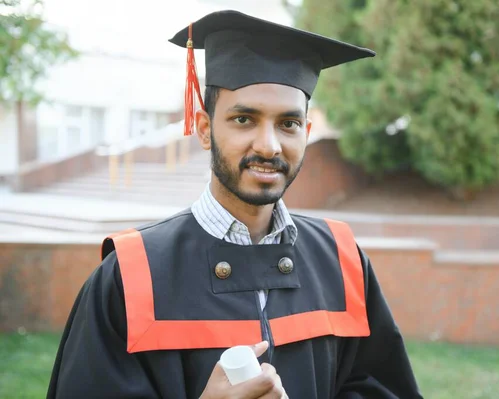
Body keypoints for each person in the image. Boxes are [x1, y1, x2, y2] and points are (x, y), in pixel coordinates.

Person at [47, 9, 423, 399]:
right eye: (244, 119)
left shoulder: (342, 261)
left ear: (307, 132)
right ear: (205, 129)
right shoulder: (130, 274)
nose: (269, 145)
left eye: (288, 124)